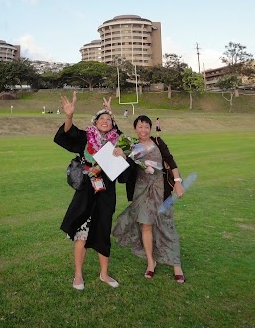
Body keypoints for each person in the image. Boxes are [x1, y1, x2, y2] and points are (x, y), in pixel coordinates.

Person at [54, 92, 133, 291]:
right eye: (101, 118)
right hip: (87, 192)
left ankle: (104, 274)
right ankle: (78, 275)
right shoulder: (85, 138)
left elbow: (125, 173)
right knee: (82, 233)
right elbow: (67, 135)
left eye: (108, 119)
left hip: (106, 193)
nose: (105, 121)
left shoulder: (118, 143)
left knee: (103, 231)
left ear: (113, 123)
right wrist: (69, 116)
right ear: (95, 122)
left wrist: (122, 155)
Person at [112, 115, 185, 283]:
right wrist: (112, 116)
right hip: (142, 190)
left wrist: (178, 182)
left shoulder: (158, 142)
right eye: (140, 126)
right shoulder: (132, 147)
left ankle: (176, 264)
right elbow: (118, 136)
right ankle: (151, 263)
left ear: (150, 129)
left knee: (166, 226)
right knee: (146, 226)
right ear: (135, 129)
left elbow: (170, 161)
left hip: (161, 189)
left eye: (146, 127)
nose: (143, 130)